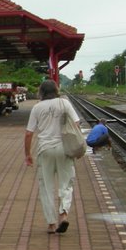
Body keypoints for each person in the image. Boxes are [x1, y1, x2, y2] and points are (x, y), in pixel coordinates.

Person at [24, 79, 82, 234]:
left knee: (46, 187)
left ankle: (51, 223)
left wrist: (27, 154)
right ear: (56, 90)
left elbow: (29, 133)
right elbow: (77, 124)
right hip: (64, 148)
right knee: (66, 183)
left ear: (41, 92)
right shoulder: (64, 103)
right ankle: (63, 215)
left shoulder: (37, 107)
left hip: (44, 149)